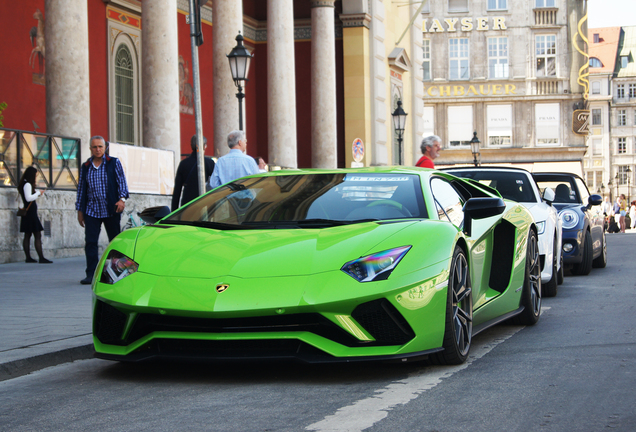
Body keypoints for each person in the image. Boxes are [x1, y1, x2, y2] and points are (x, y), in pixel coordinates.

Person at [75, 136, 129, 285]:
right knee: (91, 242)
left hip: (111, 209)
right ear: (90, 149)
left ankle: (116, 273)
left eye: (100, 146)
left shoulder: (113, 163)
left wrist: (122, 199)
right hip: (92, 211)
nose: (97, 149)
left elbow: (122, 183)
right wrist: (80, 210)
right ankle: (91, 274)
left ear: (105, 147)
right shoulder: (86, 166)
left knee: (115, 242)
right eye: (94, 147)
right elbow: (81, 190)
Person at [18, 166, 52, 263]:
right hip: (30, 214)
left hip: (28, 213)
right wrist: (38, 193)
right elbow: (28, 198)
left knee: (27, 235)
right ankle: (41, 257)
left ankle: (28, 257)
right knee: (37, 234)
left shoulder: (23, 184)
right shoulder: (27, 184)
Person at [171, 135, 215, 211]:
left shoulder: (183, 164)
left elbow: (177, 191)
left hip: (187, 204)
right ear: (204, 146)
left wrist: (173, 212)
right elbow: (216, 185)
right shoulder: (209, 163)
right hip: (204, 203)